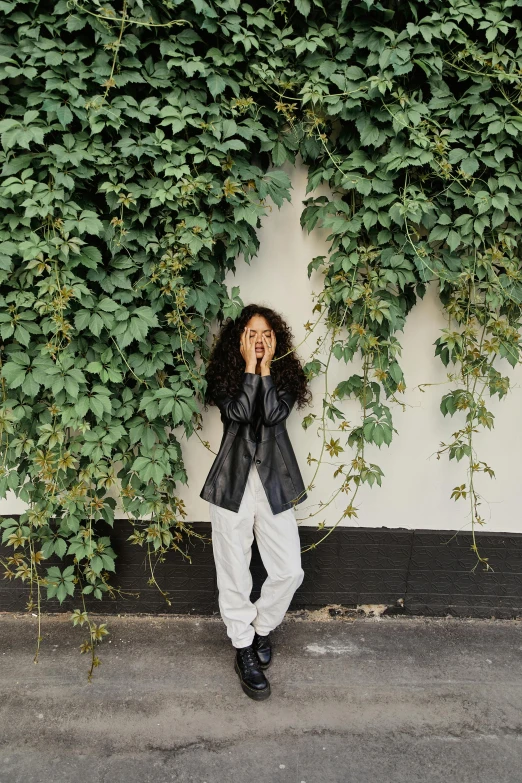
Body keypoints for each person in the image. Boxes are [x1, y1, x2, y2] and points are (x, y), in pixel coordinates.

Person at [199, 304, 312, 700]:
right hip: (233, 484)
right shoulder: (224, 377)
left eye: (266, 334)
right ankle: (243, 648)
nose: (260, 340)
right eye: (252, 333)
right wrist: (249, 368)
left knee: (288, 570)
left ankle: (260, 629)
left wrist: (264, 370)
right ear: (240, 338)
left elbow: (273, 413)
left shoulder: (286, 377)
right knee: (234, 571)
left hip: (273, 482)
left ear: (276, 338)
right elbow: (242, 412)